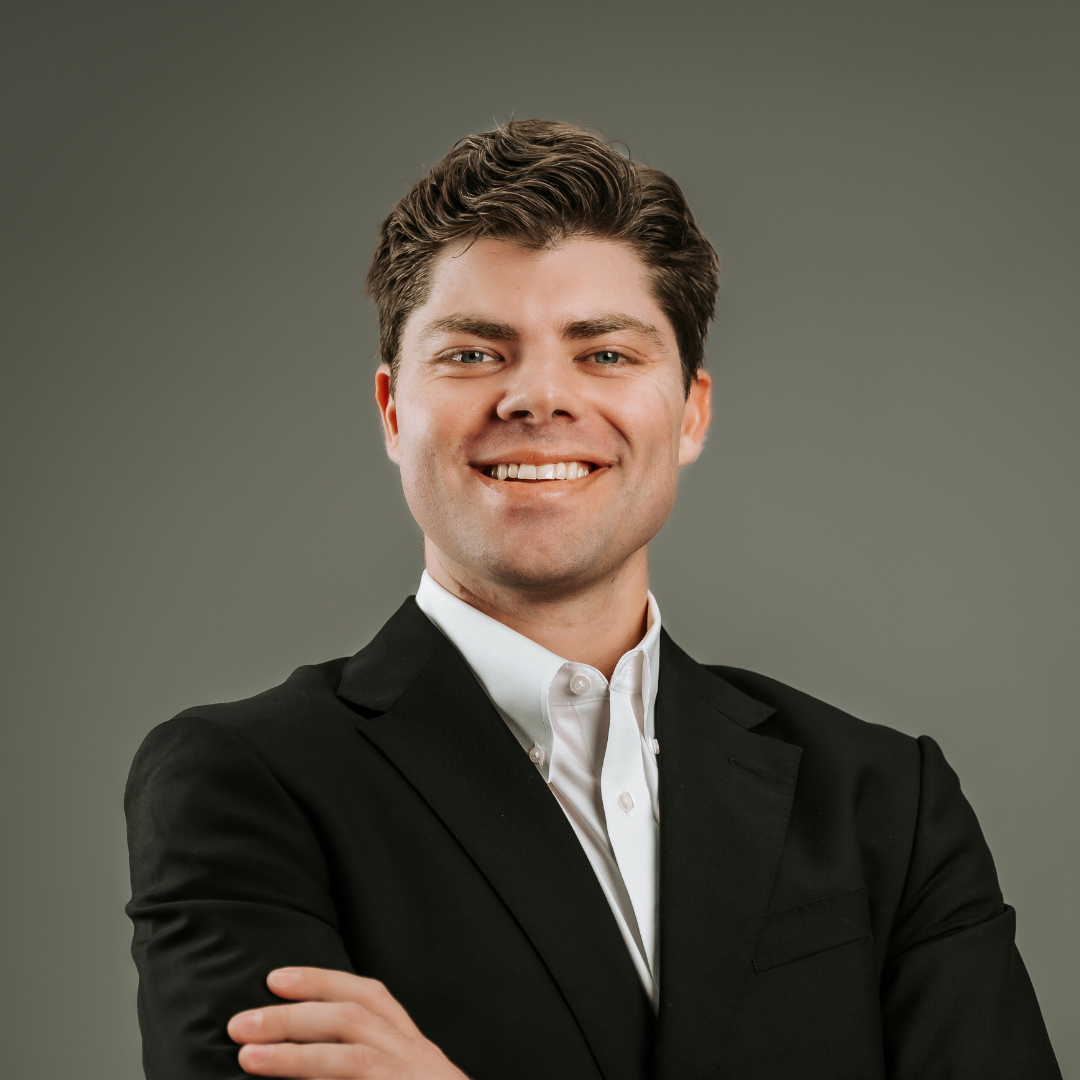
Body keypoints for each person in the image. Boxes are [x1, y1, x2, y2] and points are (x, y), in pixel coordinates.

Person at [125, 119, 1060, 1080]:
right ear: (394, 412)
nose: (538, 398)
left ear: (690, 412)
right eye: (472, 354)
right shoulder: (246, 783)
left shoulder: (885, 800)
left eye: (605, 354)